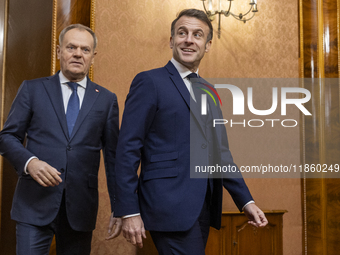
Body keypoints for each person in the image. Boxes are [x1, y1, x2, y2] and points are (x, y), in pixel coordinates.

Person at [112, 9, 268, 254]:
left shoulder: (210, 91)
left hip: (203, 206)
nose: (188, 39)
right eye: (182, 33)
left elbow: (220, 153)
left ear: (207, 45)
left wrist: (245, 201)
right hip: (167, 204)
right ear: (171, 40)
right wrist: (128, 210)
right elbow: (127, 149)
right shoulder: (149, 82)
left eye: (197, 35)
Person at [0, 24, 121, 255]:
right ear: (58, 52)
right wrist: (30, 163)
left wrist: (119, 206)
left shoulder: (106, 100)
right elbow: (6, 137)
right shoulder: (33, 89)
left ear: (92, 57)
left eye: (85, 49)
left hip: (80, 209)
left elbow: (113, 158)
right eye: (71, 47)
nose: (78, 54)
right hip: (33, 204)